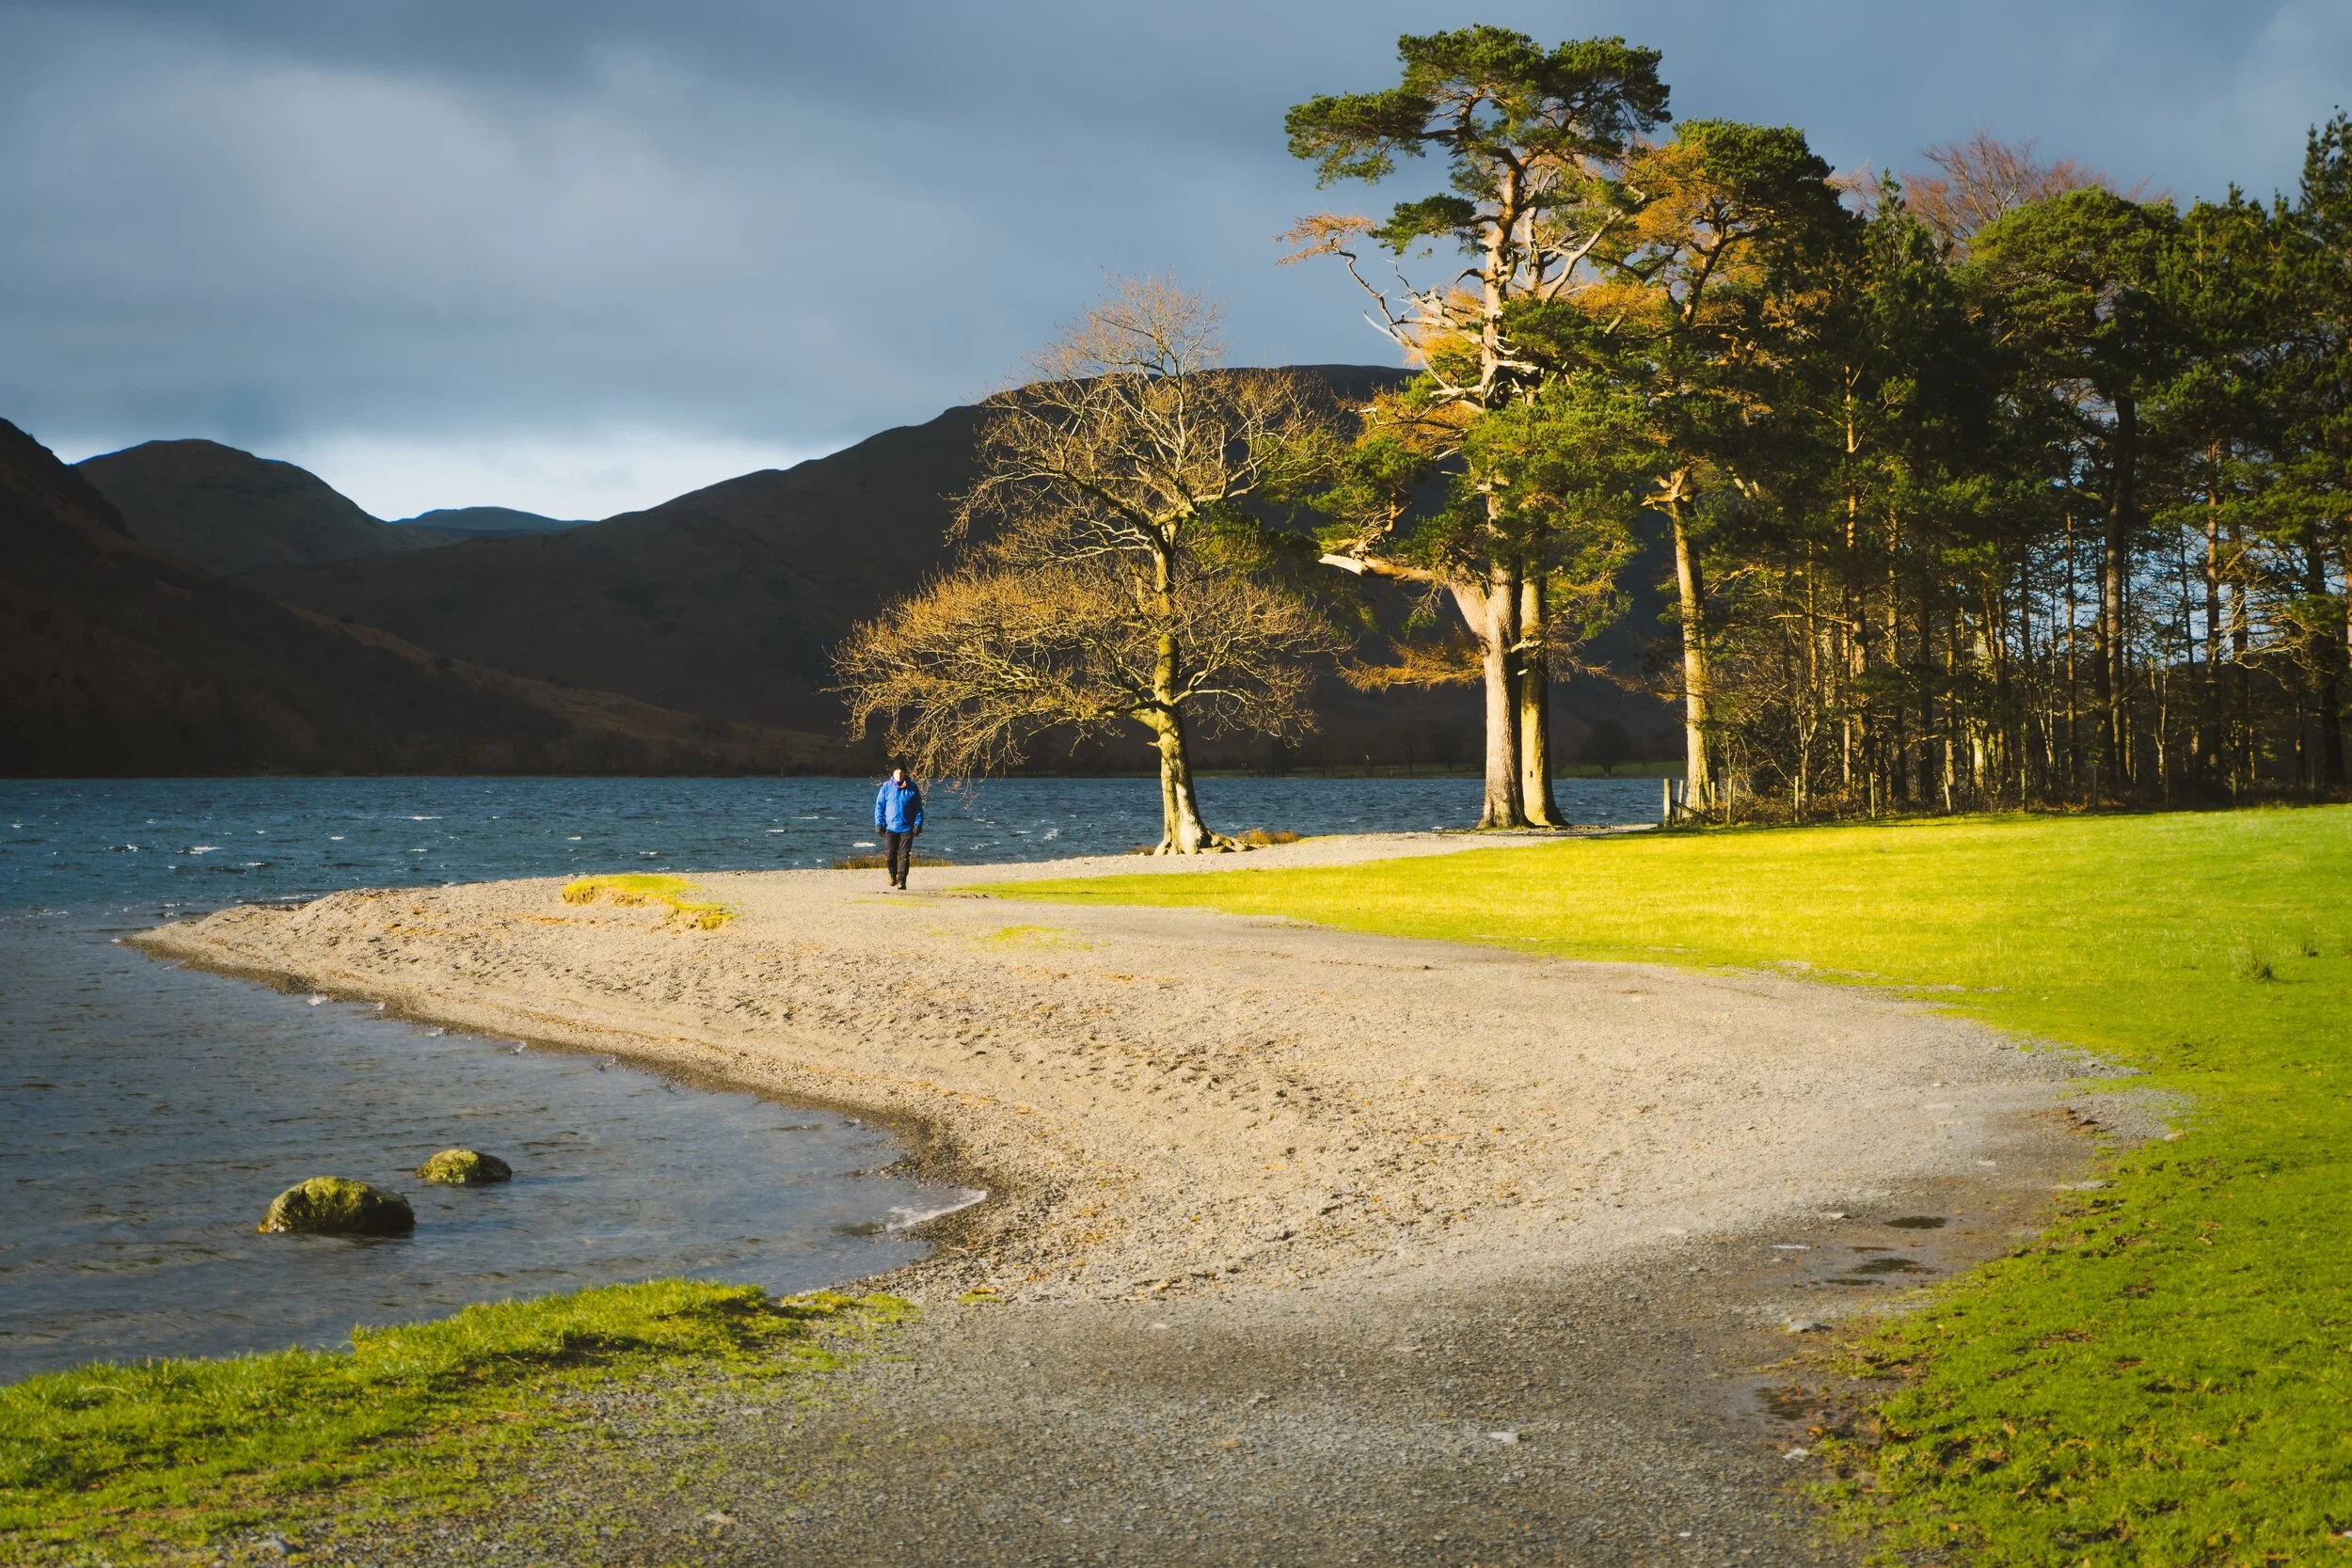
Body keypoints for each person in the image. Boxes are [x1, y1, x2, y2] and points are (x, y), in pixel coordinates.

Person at [872, 766, 925, 889]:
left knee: (904, 855)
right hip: (890, 828)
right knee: (890, 854)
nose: (900, 774)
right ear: (893, 773)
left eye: (902, 772)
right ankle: (892, 874)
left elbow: (918, 808)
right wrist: (878, 824)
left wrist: (918, 824)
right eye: (897, 772)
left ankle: (901, 880)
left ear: (905, 773)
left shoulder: (912, 787)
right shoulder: (886, 787)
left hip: (906, 828)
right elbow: (879, 807)